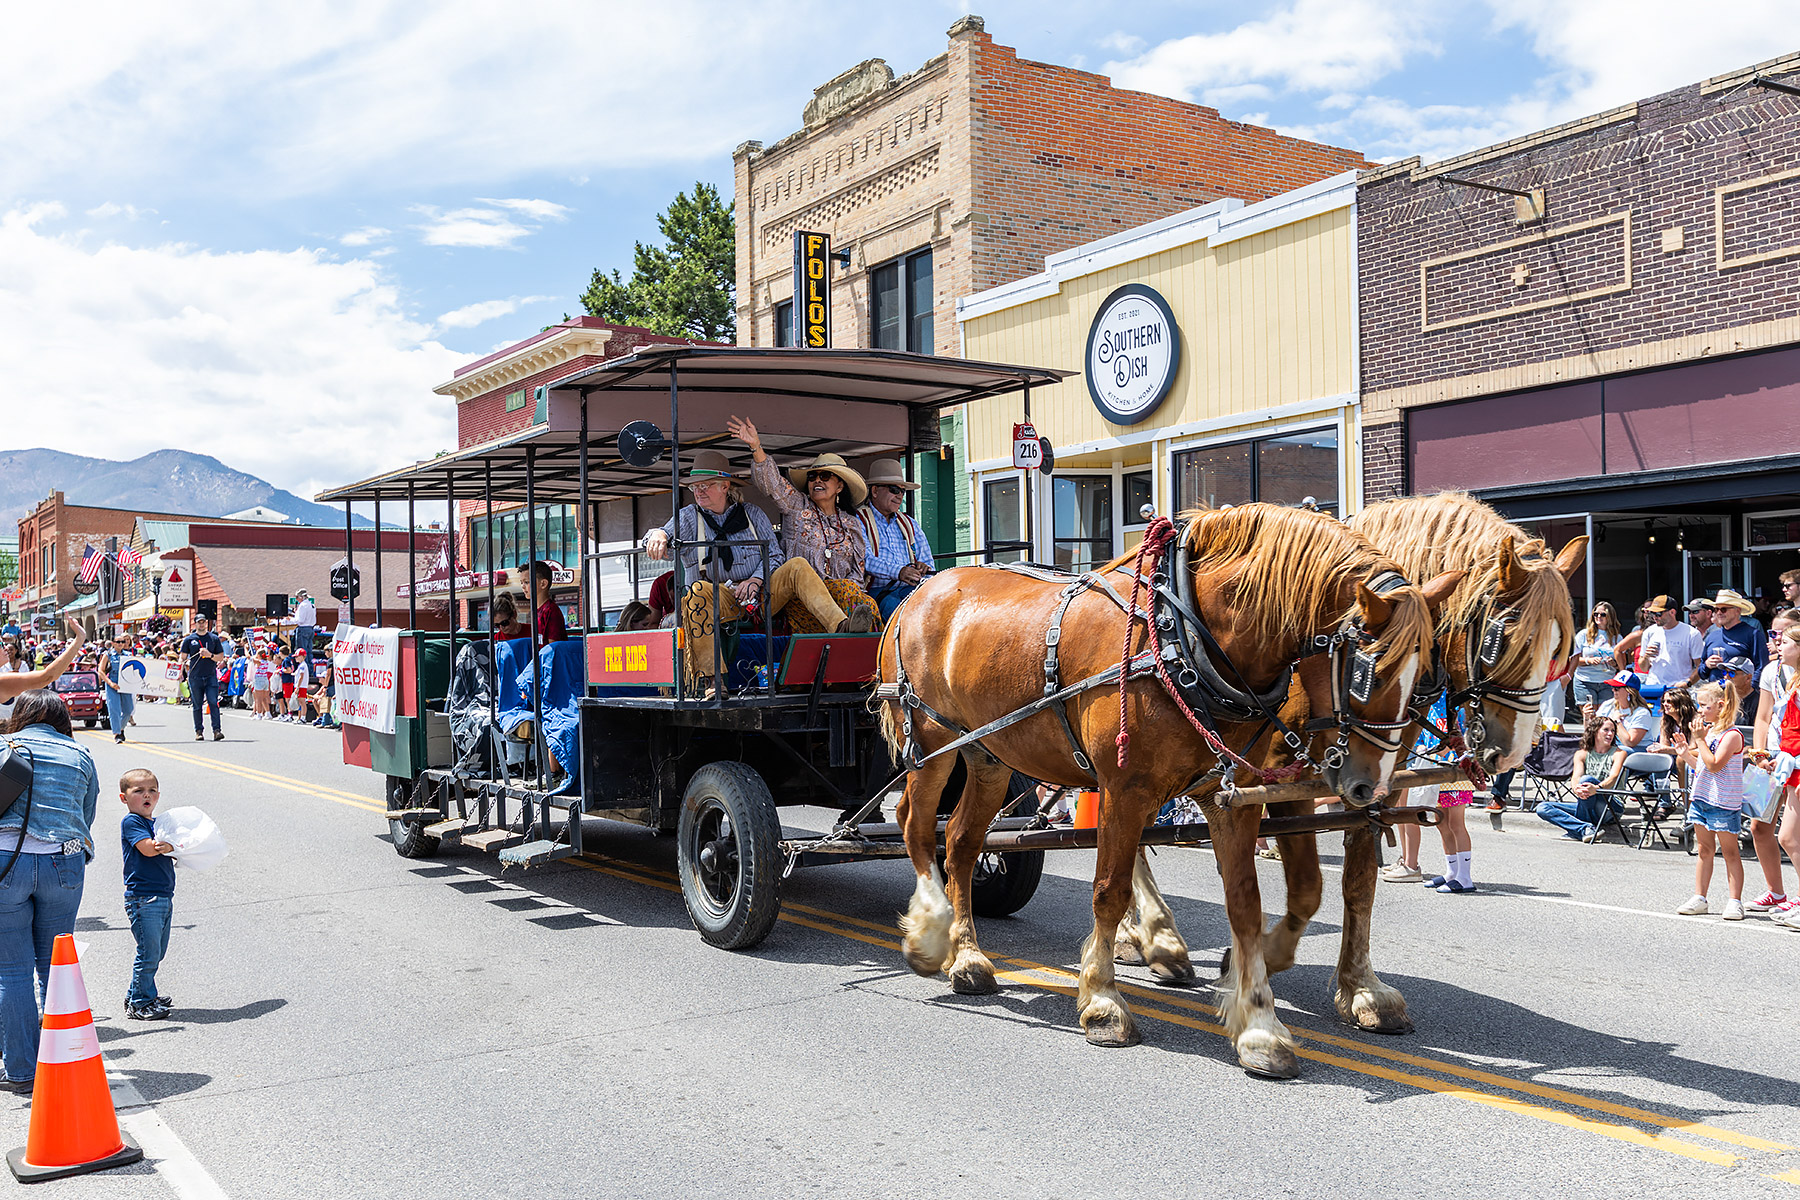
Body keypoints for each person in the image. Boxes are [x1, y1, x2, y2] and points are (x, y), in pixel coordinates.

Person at [0, 690, 100, 1091]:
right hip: (65, 861)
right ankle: (68, 1059)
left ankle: (22, 1070)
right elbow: (85, 815)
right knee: (57, 966)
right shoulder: (80, 755)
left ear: (20, 715)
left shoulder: (5, 746)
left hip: (7, 862)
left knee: (11, 971)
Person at [726, 417, 878, 632]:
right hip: (802, 596)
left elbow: (858, 570)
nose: (817, 480)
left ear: (840, 487)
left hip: (843, 594)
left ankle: (871, 657)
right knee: (849, 599)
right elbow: (773, 485)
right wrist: (756, 447)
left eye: (825, 476)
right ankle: (845, 631)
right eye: (813, 476)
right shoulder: (797, 506)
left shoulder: (851, 523)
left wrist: (848, 589)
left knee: (865, 604)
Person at [1674, 682, 1746, 920]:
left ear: (1721, 706)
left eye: (1704, 705)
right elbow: (1703, 767)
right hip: (1702, 797)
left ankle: (1735, 901)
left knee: (1730, 852)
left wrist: (1700, 741)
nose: (1700, 710)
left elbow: (1715, 764)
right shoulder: (1711, 731)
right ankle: (1700, 897)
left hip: (1723, 802)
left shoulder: (1732, 735)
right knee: (1704, 849)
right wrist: (1685, 752)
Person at [1751, 619, 1800, 918]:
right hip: (1772, 758)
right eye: (1773, 634)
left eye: (1781, 634)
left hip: (1793, 759)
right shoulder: (1773, 671)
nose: (1775, 640)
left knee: (1791, 835)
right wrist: (1759, 754)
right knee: (1759, 827)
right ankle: (1776, 892)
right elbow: (1763, 717)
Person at [118, 768, 176, 1020]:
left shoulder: (157, 823)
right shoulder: (132, 822)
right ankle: (142, 1003)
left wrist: (174, 846)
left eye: (152, 790)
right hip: (143, 898)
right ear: (124, 798)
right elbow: (149, 850)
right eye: (139, 790)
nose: (147, 795)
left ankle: (136, 994)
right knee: (148, 951)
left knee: (157, 951)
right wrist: (170, 845)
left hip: (162, 895)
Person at [858, 458, 936, 620]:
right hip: (876, 592)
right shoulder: (858, 519)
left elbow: (929, 563)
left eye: (902, 491)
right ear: (875, 491)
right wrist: (899, 572)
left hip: (910, 590)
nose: (899, 496)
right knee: (895, 608)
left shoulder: (909, 523)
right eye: (894, 489)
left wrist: (923, 568)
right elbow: (865, 561)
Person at [1536, 715, 1628, 840]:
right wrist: (1576, 789)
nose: (1610, 734)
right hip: (1587, 802)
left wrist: (1596, 788)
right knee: (1543, 808)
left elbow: (1613, 777)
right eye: (1606, 730)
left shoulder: (1619, 753)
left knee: (1586, 780)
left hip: (1611, 806)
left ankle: (1576, 830)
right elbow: (1575, 778)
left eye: (1613, 731)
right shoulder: (1581, 754)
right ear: (1595, 731)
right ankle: (1585, 828)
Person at [1625, 595, 1704, 693]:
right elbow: (1643, 667)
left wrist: (1688, 683)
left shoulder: (1691, 633)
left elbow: (1700, 665)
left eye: (1658, 613)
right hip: (1654, 687)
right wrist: (1646, 657)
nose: (1655, 617)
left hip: (1678, 689)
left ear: (1672, 612)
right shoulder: (1649, 632)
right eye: (1652, 613)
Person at [1702, 588, 1765, 698]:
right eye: (1716, 610)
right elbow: (1701, 672)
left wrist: (1749, 693)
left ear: (1738, 611)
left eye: (1724, 609)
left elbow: (1761, 666)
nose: (1719, 613)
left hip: (1741, 698)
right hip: (1715, 698)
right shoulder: (1712, 636)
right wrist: (1707, 665)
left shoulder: (1753, 634)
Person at [1571, 602, 1624, 717]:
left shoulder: (1617, 637)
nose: (1598, 617)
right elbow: (1572, 660)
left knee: (1604, 719)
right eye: (1596, 614)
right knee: (1590, 718)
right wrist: (1588, 661)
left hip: (1607, 682)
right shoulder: (1583, 635)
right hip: (1585, 681)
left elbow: (1622, 665)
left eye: (1603, 614)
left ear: (1610, 617)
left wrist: (1614, 664)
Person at [180, 614, 226, 742]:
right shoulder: (189, 639)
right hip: (195, 676)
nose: (201, 624)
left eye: (203, 622)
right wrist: (179, 667)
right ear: (195, 623)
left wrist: (209, 655)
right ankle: (198, 731)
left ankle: (217, 730)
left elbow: (221, 657)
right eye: (199, 622)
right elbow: (183, 657)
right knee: (197, 705)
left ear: (206, 623)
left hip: (210, 676)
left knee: (213, 702)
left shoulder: (213, 638)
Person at [1597, 672, 1660, 750]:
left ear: (1629, 691)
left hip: (1637, 751)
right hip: (1613, 747)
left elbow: (1630, 742)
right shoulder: (1608, 705)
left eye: (1617, 688)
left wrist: (1617, 721)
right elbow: (1594, 733)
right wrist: (1587, 718)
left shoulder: (1642, 713)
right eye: (1612, 687)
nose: (1613, 690)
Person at [516, 561, 567, 644]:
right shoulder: (536, 610)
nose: (522, 586)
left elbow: (554, 646)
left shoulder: (550, 611)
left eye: (526, 582)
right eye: (521, 582)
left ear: (543, 584)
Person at [102, 633, 137, 744]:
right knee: (114, 709)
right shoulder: (108, 655)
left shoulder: (128, 655)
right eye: (118, 642)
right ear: (113, 643)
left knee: (128, 709)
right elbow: (100, 671)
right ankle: (116, 734)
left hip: (125, 685)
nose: (121, 644)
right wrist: (110, 683)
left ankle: (121, 728)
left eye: (123, 642)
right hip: (113, 684)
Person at [250, 648, 273, 720]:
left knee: (258, 699)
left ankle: (259, 714)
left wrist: (246, 649)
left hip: (259, 680)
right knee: (264, 698)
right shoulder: (266, 662)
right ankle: (268, 713)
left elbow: (249, 658)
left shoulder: (259, 662)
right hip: (265, 679)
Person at [294, 589, 317, 657]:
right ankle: (309, 667)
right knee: (309, 651)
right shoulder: (312, 605)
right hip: (310, 629)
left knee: (302, 651)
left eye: (297, 597)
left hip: (303, 629)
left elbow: (300, 620)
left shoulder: (302, 606)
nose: (297, 599)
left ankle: (304, 666)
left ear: (301, 597)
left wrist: (293, 619)